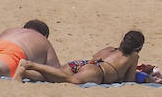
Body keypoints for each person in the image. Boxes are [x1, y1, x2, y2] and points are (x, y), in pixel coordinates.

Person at [14, 30, 145, 85]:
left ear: (122, 40)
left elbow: (94, 58)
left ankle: (25, 73)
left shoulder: (110, 49)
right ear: (138, 47)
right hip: (98, 72)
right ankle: (30, 65)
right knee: (72, 80)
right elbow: (129, 81)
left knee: (55, 77)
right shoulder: (133, 56)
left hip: (83, 64)